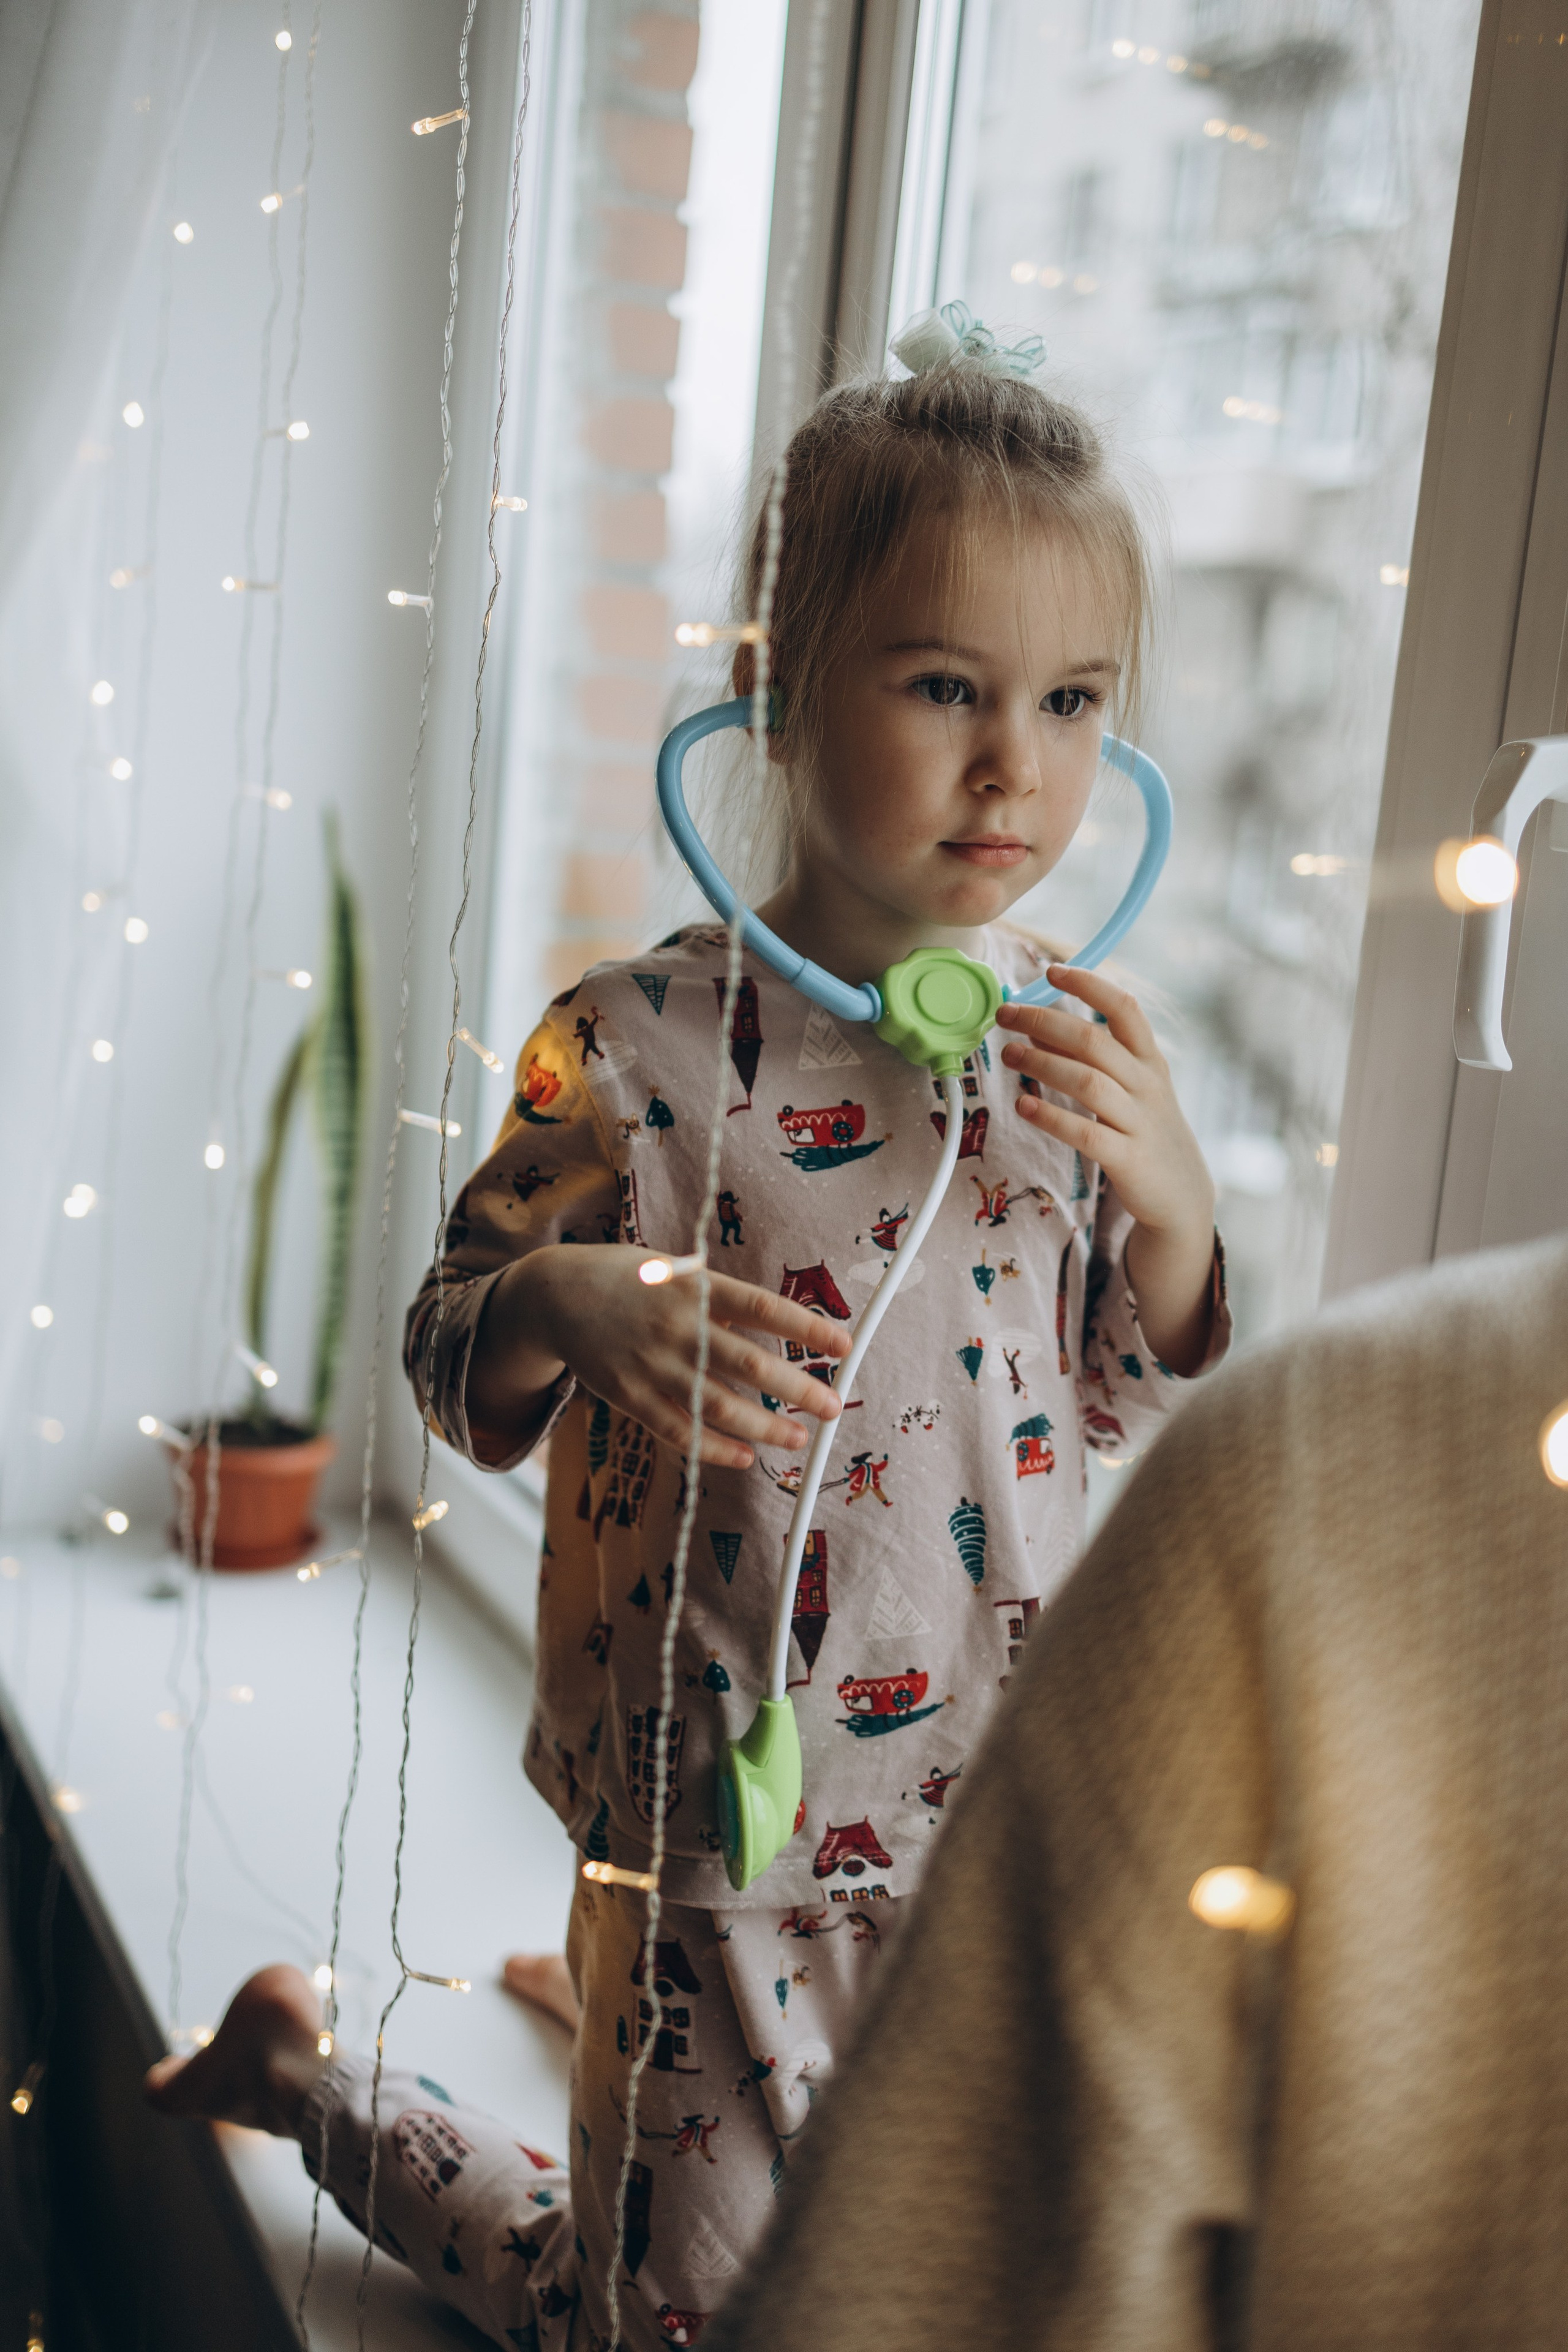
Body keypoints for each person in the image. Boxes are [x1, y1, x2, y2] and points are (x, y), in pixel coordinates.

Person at [146, 323, 1227, 2350]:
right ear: (777, 687)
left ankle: (602, 2034)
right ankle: (301, 2078)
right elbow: (452, 1345)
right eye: (944, 687)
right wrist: (567, 1295)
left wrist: (1171, 1200)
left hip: (992, 1827)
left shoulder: (1073, 1062)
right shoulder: (635, 1048)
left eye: (1074, 701)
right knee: (666, 2323)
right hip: (706, 1811)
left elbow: (1136, 1380)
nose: (1019, 764)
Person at [695, 1230, 1568, 2348]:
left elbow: (1121, 1398)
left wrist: (1173, 1218)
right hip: (724, 1823)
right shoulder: (1324, 1466)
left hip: (942, 1811)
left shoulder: (1317, 1456)